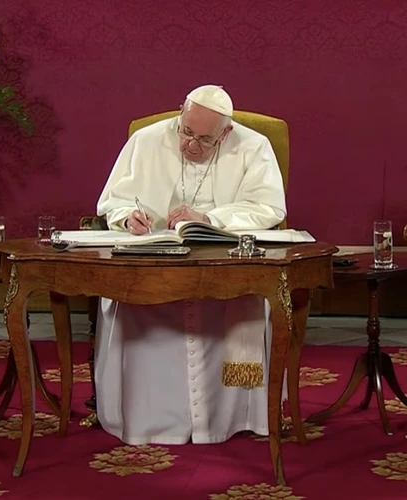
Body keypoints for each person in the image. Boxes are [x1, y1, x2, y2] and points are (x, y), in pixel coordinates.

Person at [94, 85, 287, 444]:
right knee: (137, 306)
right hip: (153, 267)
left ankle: (231, 418)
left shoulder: (253, 146)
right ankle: (150, 420)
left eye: (204, 139)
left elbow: (269, 209)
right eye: (186, 132)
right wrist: (127, 218)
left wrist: (210, 218)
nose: (191, 145)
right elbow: (114, 201)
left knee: (238, 304)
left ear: (225, 133)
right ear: (179, 115)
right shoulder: (146, 140)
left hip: (224, 268)